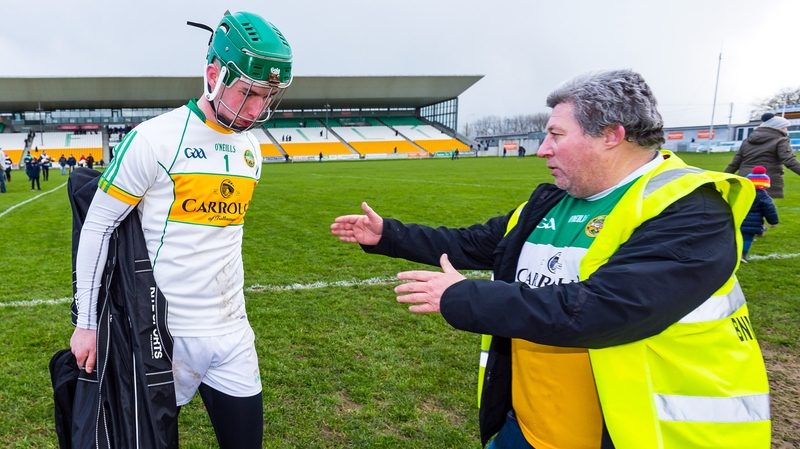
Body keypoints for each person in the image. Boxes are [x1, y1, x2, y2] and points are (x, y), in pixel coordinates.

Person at [332, 69, 770, 449]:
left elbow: (603, 310)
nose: (542, 149)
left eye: (556, 135)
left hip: (644, 437)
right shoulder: (555, 201)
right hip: (525, 431)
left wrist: (466, 299)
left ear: (611, 135)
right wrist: (388, 234)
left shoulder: (690, 209)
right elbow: (478, 243)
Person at [69, 10, 293, 448]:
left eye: (267, 96)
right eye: (248, 92)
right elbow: (97, 226)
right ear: (214, 74)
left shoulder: (252, 149)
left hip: (231, 334)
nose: (256, 109)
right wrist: (86, 322)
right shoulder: (155, 140)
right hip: (159, 338)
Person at [724, 113, 800, 198]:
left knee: (748, 208)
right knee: (766, 209)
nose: (786, 130)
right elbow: (789, 160)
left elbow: (735, 163)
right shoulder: (781, 140)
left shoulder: (747, 141)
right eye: (785, 127)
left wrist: (723, 178)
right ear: (779, 128)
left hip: (746, 180)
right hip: (765, 181)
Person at [740, 166, 779, 263]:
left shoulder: (742, 193)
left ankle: (731, 254)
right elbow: (770, 209)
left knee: (736, 238)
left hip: (738, 219)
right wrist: (773, 221)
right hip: (753, 222)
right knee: (747, 238)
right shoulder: (763, 196)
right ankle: (742, 254)